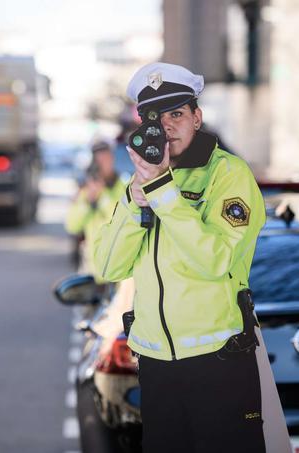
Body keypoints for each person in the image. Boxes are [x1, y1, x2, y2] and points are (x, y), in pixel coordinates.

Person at [93, 62, 268, 452]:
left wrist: (163, 192)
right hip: (156, 366)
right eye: (154, 117)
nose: (166, 126)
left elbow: (215, 261)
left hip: (218, 361)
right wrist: (134, 203)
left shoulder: (227, 174)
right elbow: (108, 266)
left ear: (197, 117)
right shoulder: (144, 180)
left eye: (177, 114)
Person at [65, 140, 125, 278]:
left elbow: (119, 219)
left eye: (106, 158)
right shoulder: (86, 191)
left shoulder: (124, 188)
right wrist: (89, 201)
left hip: (120, 270)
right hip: (93, 272)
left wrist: (103, 197)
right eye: (100, 160)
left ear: (112, 158)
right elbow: (72, 226)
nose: (104, 164)